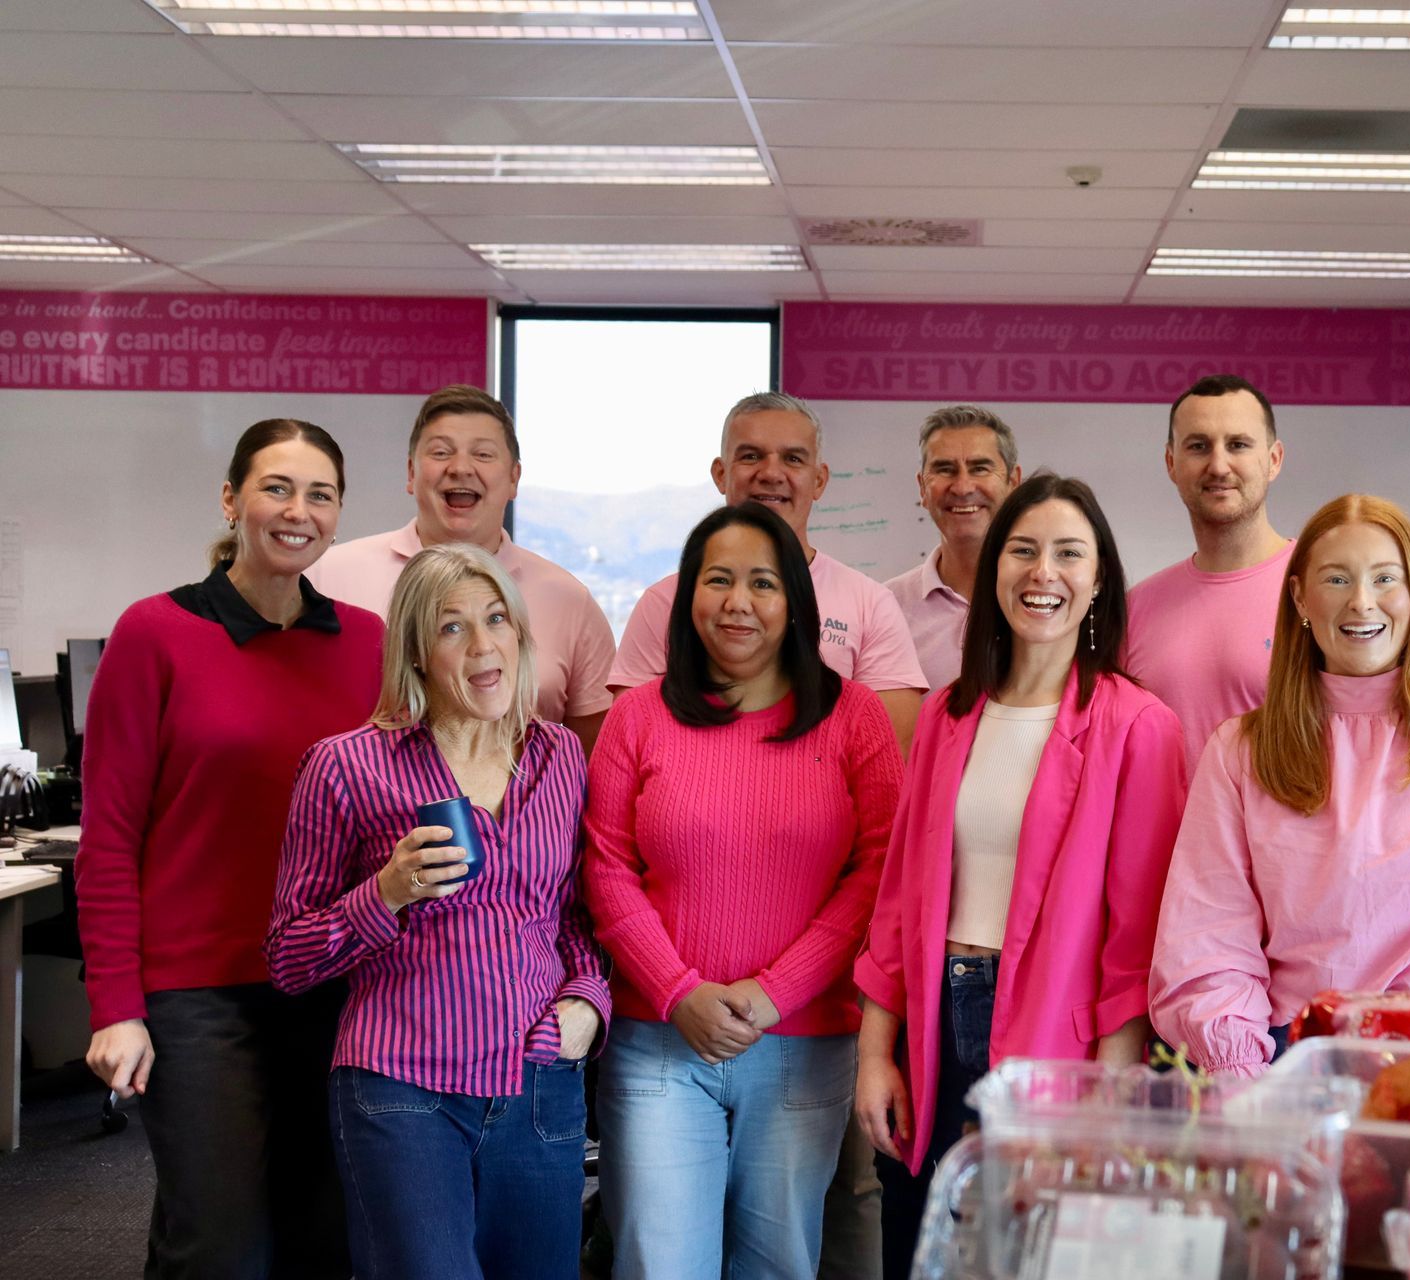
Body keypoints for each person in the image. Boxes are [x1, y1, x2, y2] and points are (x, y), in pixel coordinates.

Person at [854, 473, 1188, 1280]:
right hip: (933, 1018)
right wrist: (873, 1053)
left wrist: (1111, 1100)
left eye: (1069, 554)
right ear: (995, 568)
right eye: (1024, 551)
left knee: (1031, 1256)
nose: (1044, 573)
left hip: (1058, 1040)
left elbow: (1136, 939)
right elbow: (899, 896)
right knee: (922, 1244)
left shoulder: (1138, 726)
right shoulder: (946, 714)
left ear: (1099, 577)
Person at [75, 418, 381, 1279]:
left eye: (320, 495)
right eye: (277, 488)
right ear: (232, 499)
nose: (298, 511)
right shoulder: (155, 632)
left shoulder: (367, 643)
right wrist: (115, 1004)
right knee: (222, 1245)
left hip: (332, 980)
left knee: (325, 1235)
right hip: (198, 994)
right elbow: (109, 838)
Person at [267, 543, 610, 1280]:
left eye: (497, 620)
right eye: (452, 628)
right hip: (404, 1089)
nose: (483, 646)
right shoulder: (346, 766)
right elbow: (290, 958)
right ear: (416, 653)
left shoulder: (560, 759)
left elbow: (579, 917)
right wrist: (386, 892)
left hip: (539, 1078)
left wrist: (588, 1000)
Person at [585, 500, 903, 1279]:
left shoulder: (853, 717)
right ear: (687, 594)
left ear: (794, 598)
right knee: (659, 1261)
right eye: (718, 579)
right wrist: (676, 990)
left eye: (762, 582)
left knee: (779, 1263)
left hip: (803, 1042)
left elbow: (878, 870)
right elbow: (604, 867)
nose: (738, 602)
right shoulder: (638, 718)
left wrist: (774, 992)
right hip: (660, 1041)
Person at [1150, 494, 1410, 1076]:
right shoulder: (1239, 750)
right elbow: (1207, 939)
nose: (1361, 601)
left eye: (1385, 578)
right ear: (1300, 599)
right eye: (1337, 578)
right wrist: (1248, 1083)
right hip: (1278, 1060)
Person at [607, 391, 926, 752]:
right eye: (751, 456)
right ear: (721, 473)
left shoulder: (870, 604)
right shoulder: (663, 603)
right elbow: (630, 741)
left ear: (819, 480)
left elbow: (887, 752)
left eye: (792, 459)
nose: (771, 473)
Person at [308, 383, 616, 754]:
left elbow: (592, 758)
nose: (461, 468)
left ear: (514, 478)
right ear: (411, 472)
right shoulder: (327, 576)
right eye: (441, 452)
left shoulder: (570, 600)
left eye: (483, 454)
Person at [1126, 374, 1293, 770]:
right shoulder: (1135, 608)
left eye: (1237, 445)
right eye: (1198, 446)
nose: (1218, 465)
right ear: (1171, 462)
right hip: (1162, 834)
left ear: (1273, 460)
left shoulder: (1319, 590)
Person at [882, 405, 1023, 693]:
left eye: (980, 468)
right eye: (944, 469)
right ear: (922, 488)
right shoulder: (884, 608)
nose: (962, 487)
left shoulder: (1046, 599)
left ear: (1013, 483)